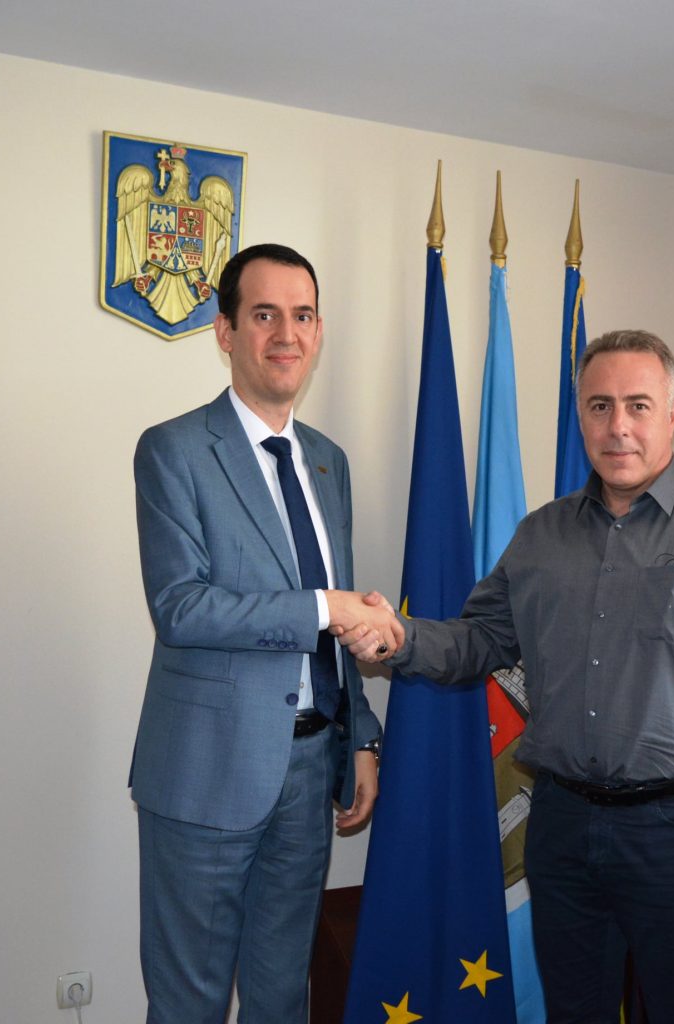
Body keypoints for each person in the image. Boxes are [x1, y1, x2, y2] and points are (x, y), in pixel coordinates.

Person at [343, 330, 674, 1024]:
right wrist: (400, 635)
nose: (618, 426)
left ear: (672, 414)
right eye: (599, 406)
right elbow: (479, 641)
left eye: (637, 405)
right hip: (561, 826)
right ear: (581, 417)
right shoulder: (541, 536)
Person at [130, 242, 402, 1024]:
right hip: (205, 773)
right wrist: (326, 608)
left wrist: (360, 737)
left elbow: (335, 617)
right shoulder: (173, 450)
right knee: (189, 1003)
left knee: (283, 997)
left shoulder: (327, 461)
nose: (287, 334)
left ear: (318, 331)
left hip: (310, 771)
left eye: (303, 315)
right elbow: (181, 607)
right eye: (264, 315)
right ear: (224, 331)